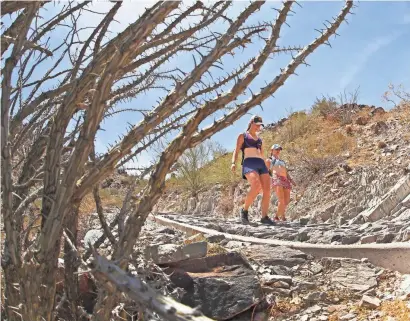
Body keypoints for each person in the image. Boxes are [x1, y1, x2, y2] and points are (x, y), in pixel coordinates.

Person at [231, 115, 275, 225]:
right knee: (256, 185)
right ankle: (244, 210)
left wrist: (267, 163)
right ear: (251, 122)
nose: (258, 127)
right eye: (257, 125)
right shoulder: (243, 136)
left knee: (267, 189)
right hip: (249, 163)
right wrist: (233, 163)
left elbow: (261, 154)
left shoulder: (260, 139)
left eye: (260, 125)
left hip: (261, 163)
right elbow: (236, 151)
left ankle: (264, 217)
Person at [266, 144, 296, 221]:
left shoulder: (282, 161)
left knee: (287, 200)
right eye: (276, 149)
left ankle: (280, 215)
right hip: (277, 179)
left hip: (285, 179)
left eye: (279, 149)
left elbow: (286, 172)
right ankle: (279, 217)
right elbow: (266, 171)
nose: (278, 151)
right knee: (281, 199)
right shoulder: (269, 160)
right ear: (271, 151)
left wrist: (291, 180)